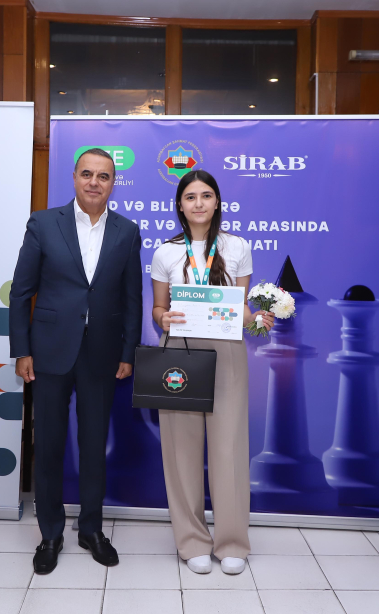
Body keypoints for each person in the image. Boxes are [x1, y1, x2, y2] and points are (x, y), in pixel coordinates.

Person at [9, 148, 142, 574]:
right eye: (87, 174)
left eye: (103, 176)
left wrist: (128, 352)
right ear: (74, 177)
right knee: (48, 444)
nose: (94, 182)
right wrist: (22, 350)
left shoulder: (127, 231)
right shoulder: (44, 223)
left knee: (93, 445)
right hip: (49, 351)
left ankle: (91, 529)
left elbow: (133, 298)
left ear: (113, 182)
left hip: (102, 353)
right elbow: (21, 292)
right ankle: (50, 533)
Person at [151, 169, 274, 576]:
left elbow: (241, 309)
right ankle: (191, 541)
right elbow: (158, 309)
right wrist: (163, 317)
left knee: (229, 447)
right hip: (179, 352)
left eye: (206, 195)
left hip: (227, 351)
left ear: (217, 201)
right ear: (180, 205)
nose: (199, 203)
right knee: (181, 449)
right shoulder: (166, 252)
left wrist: (258, 320)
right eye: (190, 197)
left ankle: (233, 542)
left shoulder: (237, 246)